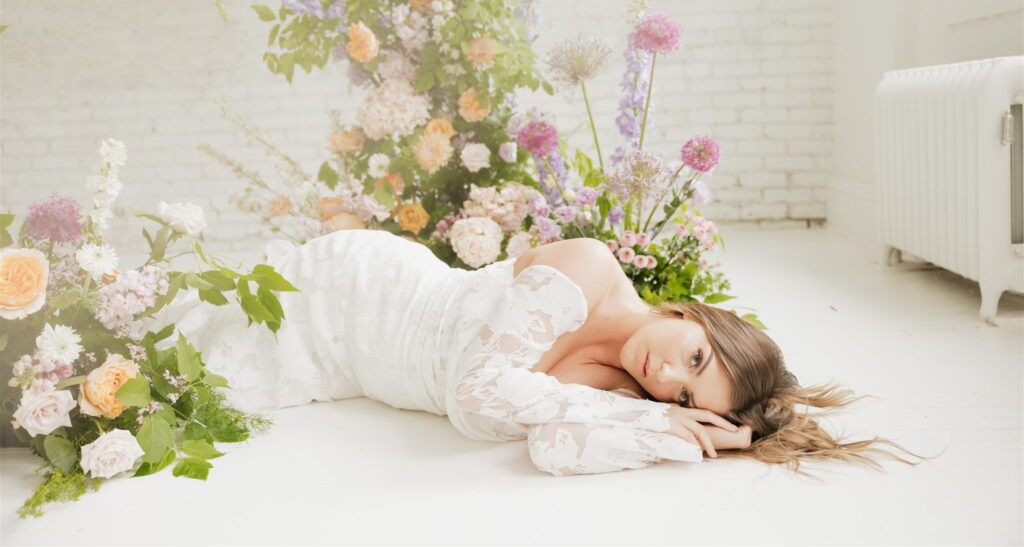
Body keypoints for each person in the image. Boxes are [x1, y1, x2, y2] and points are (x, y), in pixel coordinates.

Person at [147, 229, 928, 476]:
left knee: (165, 400)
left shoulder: (631, 397)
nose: (667, 377)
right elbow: (472, 392)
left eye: (689, 400)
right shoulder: (588, 271)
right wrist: (659, 418)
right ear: (695, 315)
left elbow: (554, 449)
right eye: (694, 358)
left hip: (354, 368)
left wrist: (673, 437)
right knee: (159, 353)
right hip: (354, 294)